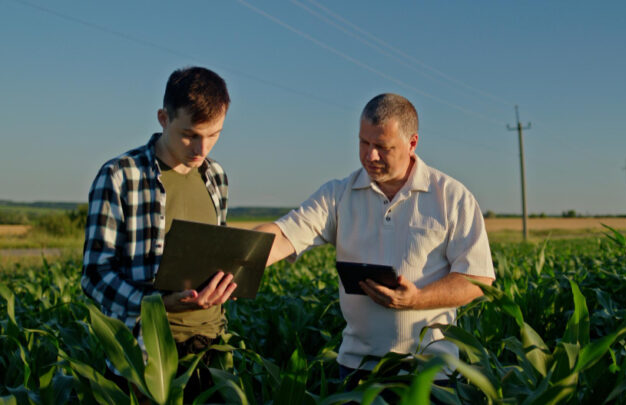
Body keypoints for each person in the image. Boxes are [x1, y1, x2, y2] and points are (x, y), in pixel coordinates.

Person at [256, 93, 495, 389]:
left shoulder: (452, 197)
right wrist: (227, 254)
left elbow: (478, 278)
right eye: (364, 143)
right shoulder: (339, 194)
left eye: (382, 147)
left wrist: (417, 299)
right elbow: (283, 235)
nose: (370, 156)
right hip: (357, 368)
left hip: (430, 372)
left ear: (412, 143)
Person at [81, 66, 237, 396]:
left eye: (214, 135)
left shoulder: (217, 177)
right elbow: (94, 276)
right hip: (145, 353)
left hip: (211, 350)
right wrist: (159, 304)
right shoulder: (120, 176)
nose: (202, 149)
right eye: (190, 134)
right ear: (163, 118)